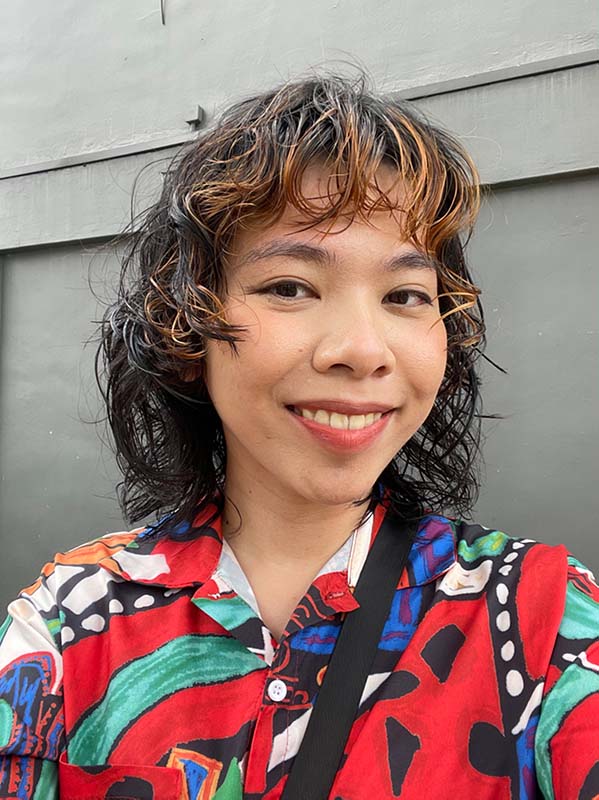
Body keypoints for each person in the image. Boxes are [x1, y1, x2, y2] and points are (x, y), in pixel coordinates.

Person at [0, 72, 597, 800]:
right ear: (186, 327)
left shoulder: (541, 618)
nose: (362, 348)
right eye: (289, 287)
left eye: (406, 295)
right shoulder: (67, 624)